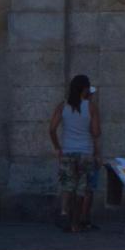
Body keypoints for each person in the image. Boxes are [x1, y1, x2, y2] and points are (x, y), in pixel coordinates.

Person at [49, 74, 101, 233]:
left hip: (68, 152)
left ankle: (66, 216)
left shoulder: (62, 106)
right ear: (85, 89)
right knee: (82, 190)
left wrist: (58, 146)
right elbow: (96, 132)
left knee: (68, 187)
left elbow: (51, 129)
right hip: (85, 152)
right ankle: (76, 223)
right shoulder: (91, 107)